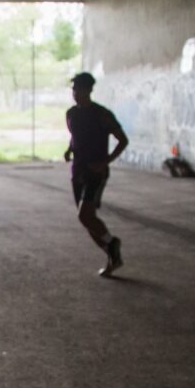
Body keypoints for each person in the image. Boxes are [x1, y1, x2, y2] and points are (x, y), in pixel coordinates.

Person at [64, 72, 128, 277]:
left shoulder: (102, 114)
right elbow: (75, 136)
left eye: (79, 89)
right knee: (86, 219)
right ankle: (112, 255)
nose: (76, 93)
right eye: (73, 89)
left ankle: (112, 243)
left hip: (96, 172)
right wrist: (69, 149)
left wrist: (105, 162)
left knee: (85, 215)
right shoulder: (71, 113)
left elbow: (122, 140)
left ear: (89, 90)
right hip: (78, 171)